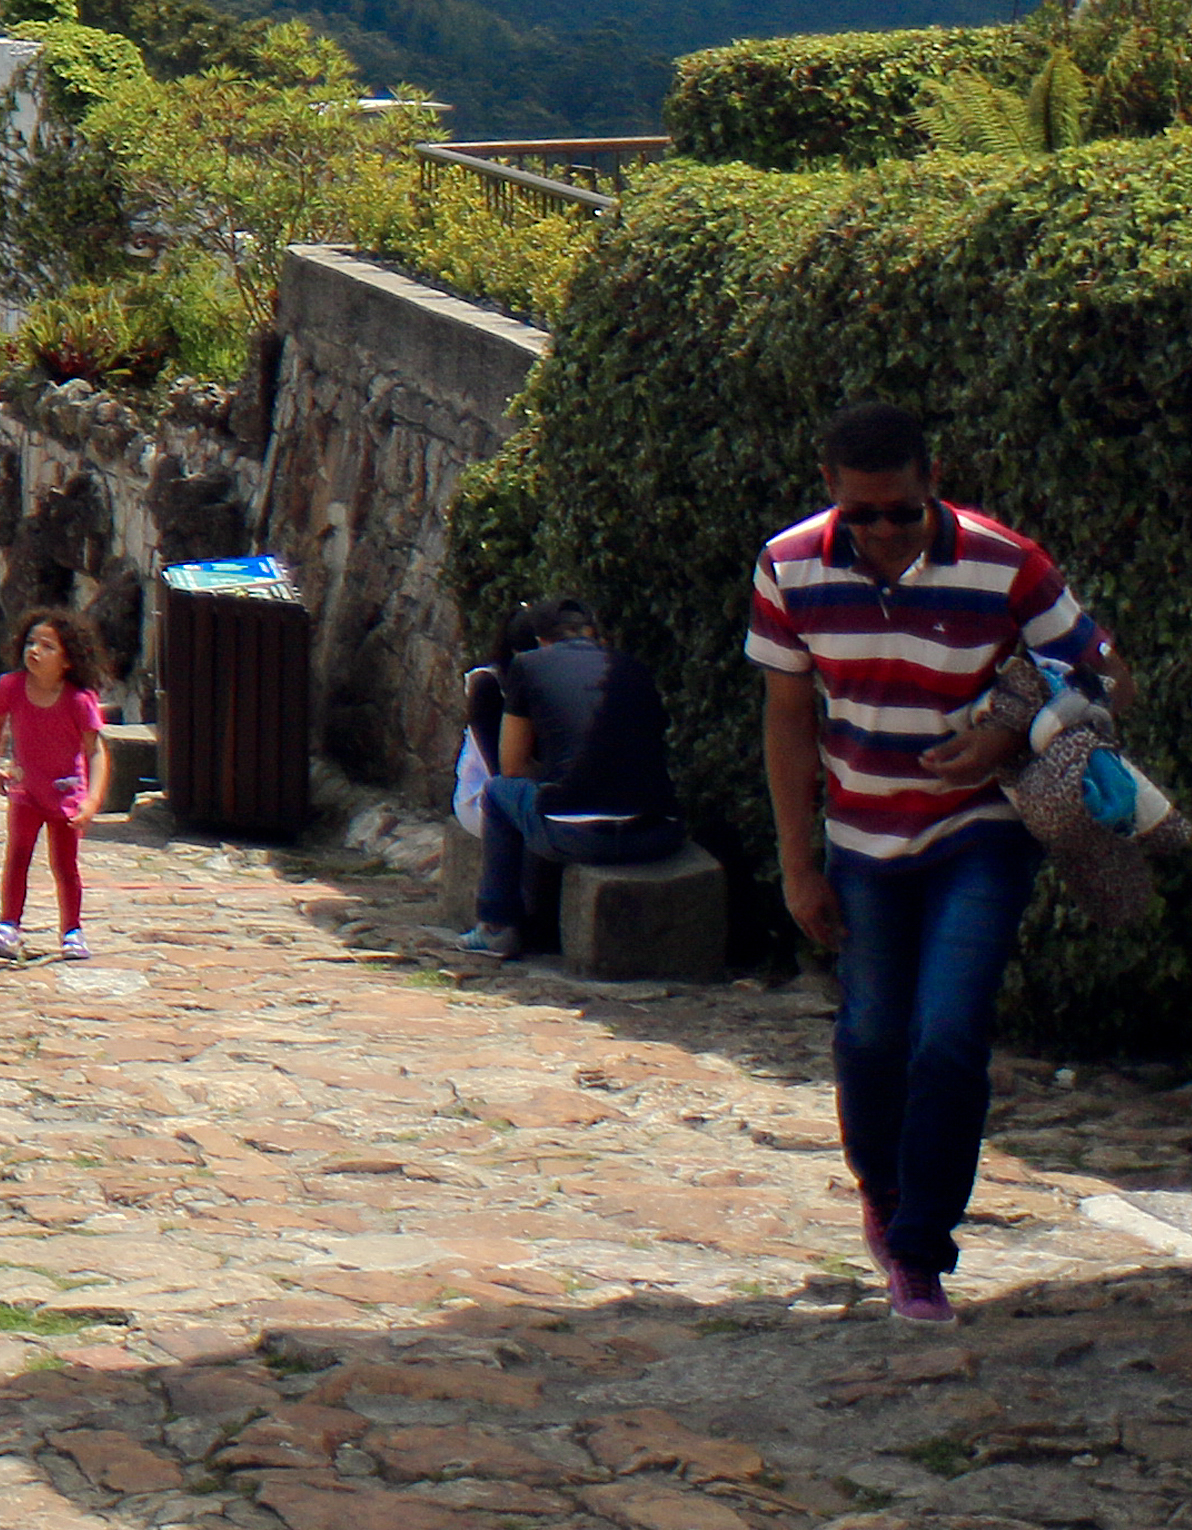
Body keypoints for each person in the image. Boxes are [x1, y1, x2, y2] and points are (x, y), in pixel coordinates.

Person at [751, 401, 1125, 1324]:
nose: (883, 531)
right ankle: (885, 1193)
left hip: (979, 832)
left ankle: (922, 1250)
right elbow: (789, 719)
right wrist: (798, 864)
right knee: (873, 1037)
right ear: (830, 490)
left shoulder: (1005, 564)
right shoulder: (788, 565)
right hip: (864, 838)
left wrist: (1004, 736)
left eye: (903, 511)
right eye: (863, 513)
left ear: (934, 484)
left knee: (951, 1035)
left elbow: (1106, 671)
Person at [449, 597, 690, 960]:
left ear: (542, 638)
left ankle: (497, 927)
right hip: (658, 832)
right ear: (594, 633)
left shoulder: (528, 666)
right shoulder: (633, 666)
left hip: (579, 835)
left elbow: (511, 767)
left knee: (499, 792)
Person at [0, 608, 106, 961]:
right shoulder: (11, 686)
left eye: (48, 646)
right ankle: (9, 925)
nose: (35, 651)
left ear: (68, 660)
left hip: (66, 795)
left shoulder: (79, 701)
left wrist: (92, 799)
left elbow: (96, 751)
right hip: (26, 792)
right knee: (18, 856)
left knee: (65, 865)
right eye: (31, 642)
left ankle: (72, 930)